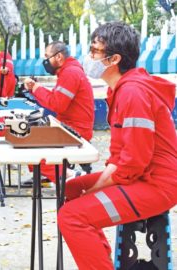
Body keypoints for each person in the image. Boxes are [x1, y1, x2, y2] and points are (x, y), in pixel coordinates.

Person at [58, 21, 177, 269]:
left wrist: (96, 189)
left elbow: (132, 163)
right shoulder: (120, 90)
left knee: (72, 217)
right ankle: (101, 258)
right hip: (141, 175)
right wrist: (95, 186)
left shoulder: (133, 93)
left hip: (157, 185)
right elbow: (120, 155)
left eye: (94, 51)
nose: (88, 57)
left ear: (114, 59)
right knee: (70, 189)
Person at [23, 41, 94, 185]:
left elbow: (57, 104)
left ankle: (69, 175)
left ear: (59, 57)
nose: (45, 61)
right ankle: (47, 174)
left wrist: (36, 88)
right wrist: (36, 88)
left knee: (30, 142)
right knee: (34, 134)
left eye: (47, 57)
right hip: (69, 125)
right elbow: (58, 99)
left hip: (75, 129)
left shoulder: (70, 73)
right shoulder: (69, 71)